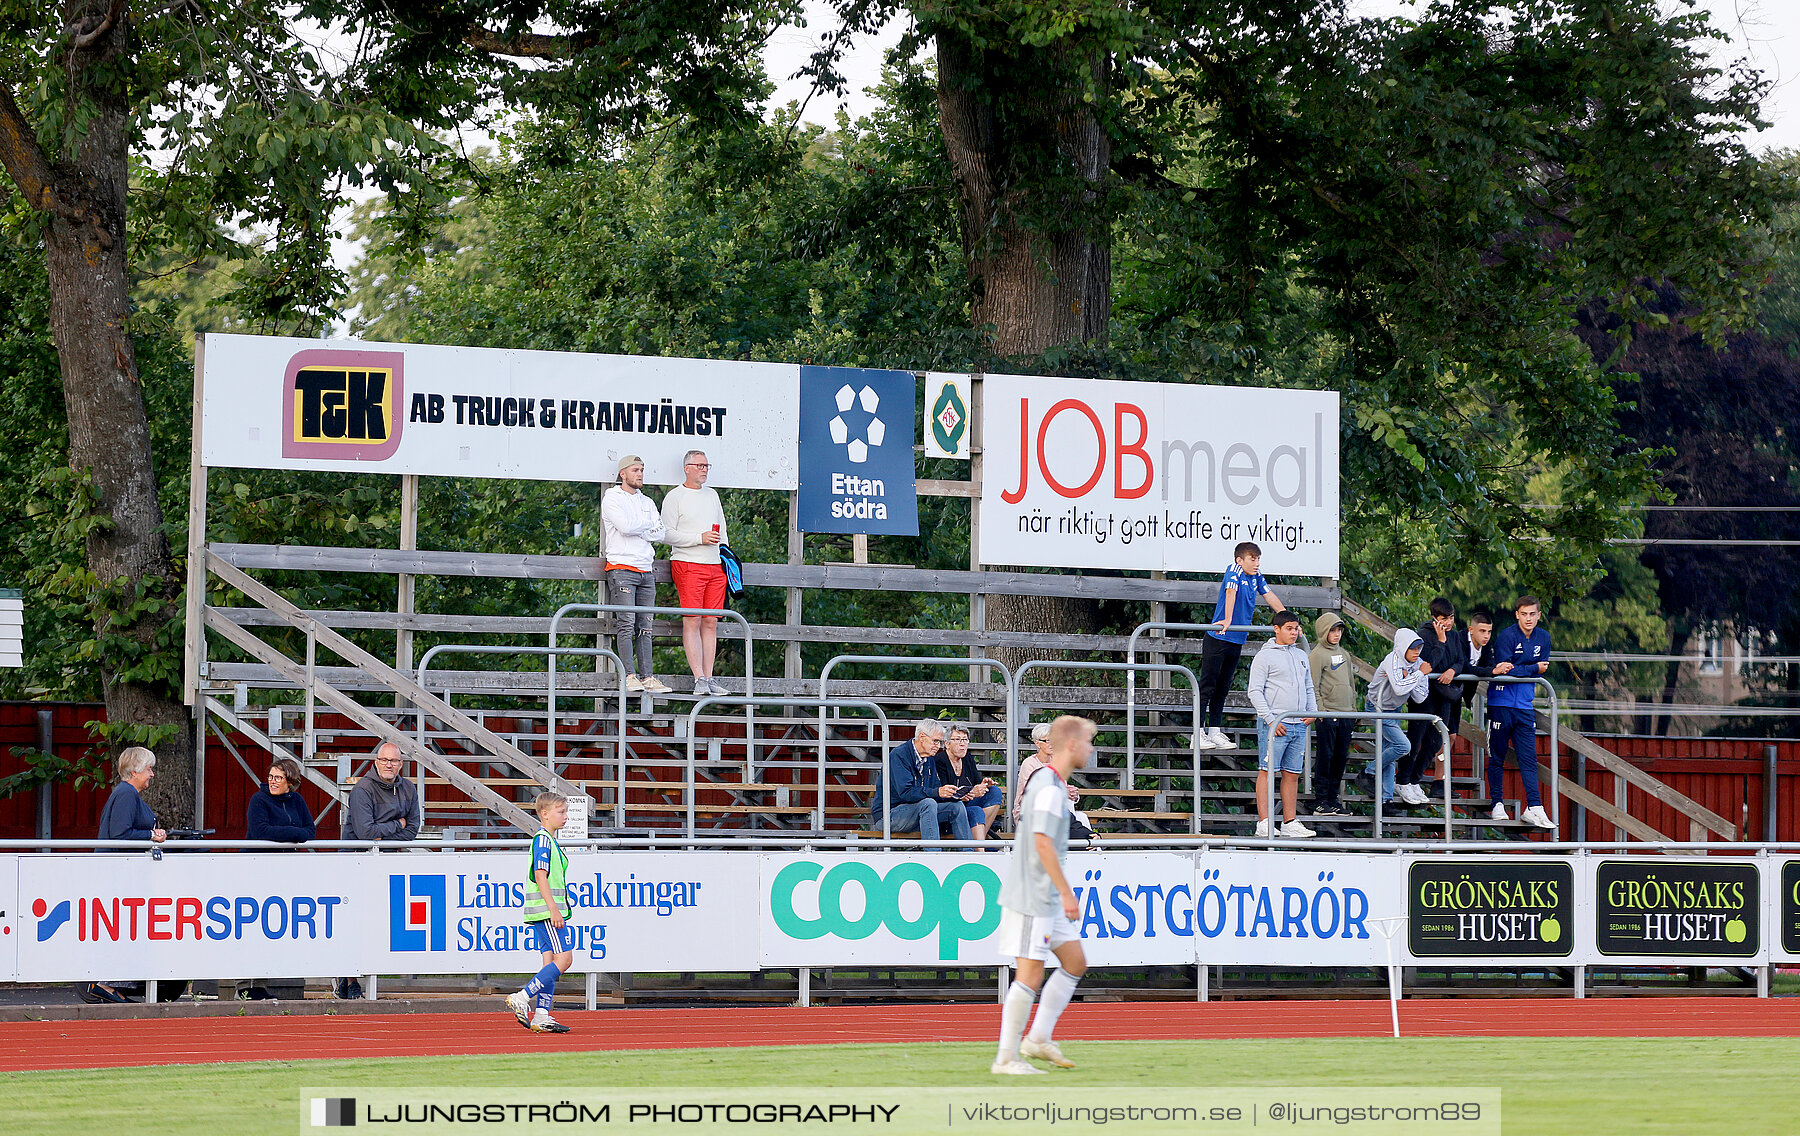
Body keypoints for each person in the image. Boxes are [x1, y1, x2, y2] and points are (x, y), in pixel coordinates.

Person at [991, 714, 1096, 1075]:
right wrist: (1067, 893)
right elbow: (1041, 843)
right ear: (1071, 745)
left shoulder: (1053, 782)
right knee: (1030, 974)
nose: (1091, 749)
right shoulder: (1049, 787)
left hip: (1046, 893)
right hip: (1033, 893)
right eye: (1088, 742)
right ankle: (1006, 1058)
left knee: (1075, 962)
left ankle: (1037, 1038)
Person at [84, 746, 167, 1003]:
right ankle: (106, 983)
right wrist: (151, 835)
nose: (152, 774)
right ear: (134, 771)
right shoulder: (126, 795)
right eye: (148, 769)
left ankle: (112, 983)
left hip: (120, 873)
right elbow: (120, 835)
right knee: (121, 928)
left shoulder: (127, 794)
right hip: (116, 875)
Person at [338, 741, 420, 998]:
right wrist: (397, 824)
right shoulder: (363, 789)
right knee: (354, 923)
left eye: (393, 761)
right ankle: (350, 979)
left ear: (401, 764)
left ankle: (349, 979)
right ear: (376, 762)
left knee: (379, 925)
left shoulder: (408, 788)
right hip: (356, 864)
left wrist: (387, 834)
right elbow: (365, 833)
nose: (389, 765)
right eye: (384, 760)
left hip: (387, 864)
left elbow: (413, 829)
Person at [1195, 542, 1286, 751]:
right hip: (1219, 637)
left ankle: (1214, 730)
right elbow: (1230, 592)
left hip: (1237, 639)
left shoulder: (1256, 575)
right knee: (1208, 685)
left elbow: (1269, 595)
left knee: (1223, 687)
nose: (1256, 563)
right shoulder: (1233, 570)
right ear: (1240, 560)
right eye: (1252, 559)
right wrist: (1227, 619)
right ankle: (1197, 732)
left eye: (1258, 559)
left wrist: (1287, 619)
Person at [660, 449, 729, 696]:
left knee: (711, 621)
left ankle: (709, 678)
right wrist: (698, 539)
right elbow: (666, 534)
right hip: (688, 563)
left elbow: (723, 532)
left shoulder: (712, 496)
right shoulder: (674, 497)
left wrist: (726, 558)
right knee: (692, 619)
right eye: (699, 465)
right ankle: (698, 677)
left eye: (706, 465)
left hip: (714, 565)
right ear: (687, 467)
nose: (704, 469)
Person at [601, 453, 671, 694]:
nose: (640, 474)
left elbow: (660, 533)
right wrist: (644, 525)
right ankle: (629, 675)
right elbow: (625, 526)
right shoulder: (612, 497)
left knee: (646, 626)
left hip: (646, 570)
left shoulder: (648, 501)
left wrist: (638, 526)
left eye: (642, 470)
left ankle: (648, 676)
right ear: (623, 474)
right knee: (626, 623)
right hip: (622, 568)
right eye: (635, 470)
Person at [505, 791, 575, 1033]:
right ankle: (522, 997)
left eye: (566, 812)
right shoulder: (543, 840)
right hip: (546, 912)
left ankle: (541, 1015)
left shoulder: (549, 840)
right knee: (565, 959)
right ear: (544, 814)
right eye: (561, 812)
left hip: (542, 911)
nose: (565, 817)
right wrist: (553, 908)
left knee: (550, 963)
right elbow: (540, 874)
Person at [1486, 596, 1558, 830]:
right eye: (1524, 614)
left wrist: (1527, 670)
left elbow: (1541, 670)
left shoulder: (1543, 637)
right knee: (1497, 756)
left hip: (1525, 707)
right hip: (1501, 702)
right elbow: (1504, 670)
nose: (1528, 618)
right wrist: (1531, 668)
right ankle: (1497, 803)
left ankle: (1534, 807)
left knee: (1529, 758)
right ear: (1517, 614)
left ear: (1539, 615)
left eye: (1532, 614)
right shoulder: (1507, 636)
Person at [1247, 610, 1318, 838]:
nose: (1294, 632)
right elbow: (1255, 691)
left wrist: (1313, 711)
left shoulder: (1301, 655)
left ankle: (1289, 821)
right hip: (1275, 724)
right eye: (1289, 628)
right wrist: (1270, 719)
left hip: (1299, 723)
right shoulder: (1264, 656)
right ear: (1276, 629)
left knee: (1292, 773)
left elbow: (1308, 686)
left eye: (1296, 628)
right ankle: (1265, 821)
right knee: (1267, 770)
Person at [1397, 597, 1470, 806]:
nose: (1448, 623)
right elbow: (1428, 664)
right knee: (1416, 736)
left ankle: (1414, 779)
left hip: (1445, 696)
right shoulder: (1424, 636)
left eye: (1451, 618)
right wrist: (1440, 641)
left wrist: (1452, 670)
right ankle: (1403, 779)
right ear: (1434, 618)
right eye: (1444, 619)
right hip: (1424, 695)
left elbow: (1460, 660)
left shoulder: (1455, 636)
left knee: (1436, 741)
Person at [1364, 628, 1432, 807]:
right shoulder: (1392, 659)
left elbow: (1420, 696)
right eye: (1413, 648)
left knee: (1392, 750)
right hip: (1377, 707)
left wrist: (1410, 676)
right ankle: (1368, 772)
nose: (1417, 652)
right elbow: (1400, 688)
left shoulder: (1420, 663)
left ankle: (1386, 800)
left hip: (1394, 708)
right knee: (1403, 746)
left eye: (1419, 648)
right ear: (1403, 648)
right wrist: (1418, 675)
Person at [869, 722, 971, 840]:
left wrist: (954, 795)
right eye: (936, 741)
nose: (938, 746)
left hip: (918, 812)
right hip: (889, 816)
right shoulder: (899, 755)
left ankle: (967, 854)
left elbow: (934, 790)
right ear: (922, 737)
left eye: (940, 742)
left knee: (957, 807)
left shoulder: (929, 758)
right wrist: (938, 792)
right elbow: (906, 793)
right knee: (928, 804)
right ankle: (932, 854)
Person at [1308, 612, 1357, 816]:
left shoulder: (1344, 654)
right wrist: (1321, 711)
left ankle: (1332, 799)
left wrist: (1354, 709)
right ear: (1323, 631)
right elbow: (1313, 685)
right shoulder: (1317, 655)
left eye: (1339, 630)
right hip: (1327, 715)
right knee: (1325, 757)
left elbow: (1350, 682)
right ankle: (1320, 800)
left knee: (1339, 758)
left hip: (1346, 715)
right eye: (1333, 630)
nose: (1337, 635)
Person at [1013, 722, 1092, 839]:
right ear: (1037, 743)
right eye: (1048, 741)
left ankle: (1094, 846)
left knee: (1082, 817)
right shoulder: (1029, 764)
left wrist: (1074, 795)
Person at [936, 724, 1005, 840]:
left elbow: (977, 783)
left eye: (965, 740)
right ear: (947, 744)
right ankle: (979, 844)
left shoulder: (967, 758)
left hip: (969, 804)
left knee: (994, 791)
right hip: (952, 808)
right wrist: (971, 792)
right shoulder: (939, 761)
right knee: (976, 811)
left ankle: (979, 838)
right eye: (957, 739)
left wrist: (984, 785)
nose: (962, 743)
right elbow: (942, 794)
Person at [247, 757, 316, 843]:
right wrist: (294, 833)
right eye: (270, 777)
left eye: (278, 778)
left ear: (290, 781)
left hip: (288, 855)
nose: (272, 781)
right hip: (259, 855)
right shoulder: (259, 799)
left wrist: (296, 834)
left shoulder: (297, 799)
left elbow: (311, 831)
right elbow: (259, 832)